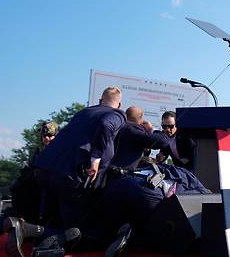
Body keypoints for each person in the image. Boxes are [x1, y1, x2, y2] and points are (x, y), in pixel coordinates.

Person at [33, 86, 126, 229]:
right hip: (67, 174)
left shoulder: (84, 112)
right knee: (73, 227)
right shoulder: (117, 114)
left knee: (48, 216)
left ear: (100, 100)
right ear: (119, 105)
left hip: (44, 167)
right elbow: (106, 124)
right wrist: (96, 159)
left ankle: (27, 231)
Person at [110, 106, 171, 171]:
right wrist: (151, 130)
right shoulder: (132, 131)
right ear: (141, 120)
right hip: (120, 173)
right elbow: (162, 141)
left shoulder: (118, 127)